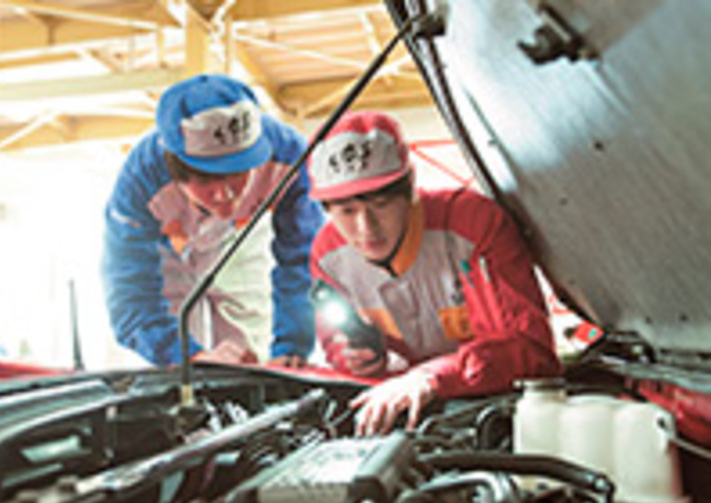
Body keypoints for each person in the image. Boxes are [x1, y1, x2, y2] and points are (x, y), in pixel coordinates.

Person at [307, 111, 562, 435]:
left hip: (497, 409)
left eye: (381, 204)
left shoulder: (473, 223)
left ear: (410, 187)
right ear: (327, 210)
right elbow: (338, 352)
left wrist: (432, 376)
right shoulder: (328, 256)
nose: (365, 228)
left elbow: (529, 351)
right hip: (399, 412)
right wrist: (361, 362)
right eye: (347, 211)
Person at [102, 74, 324, 367]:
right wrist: (188, 356)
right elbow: (131, 294)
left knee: (248, 350)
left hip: (242, 233)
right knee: (178, 367)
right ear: (173, 167)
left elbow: (302, 261)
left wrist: (292, 349)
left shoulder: (291, 156)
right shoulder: (139, 181)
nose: (225, 194)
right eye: (206, 178)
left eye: (237, 172)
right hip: (166, 246)